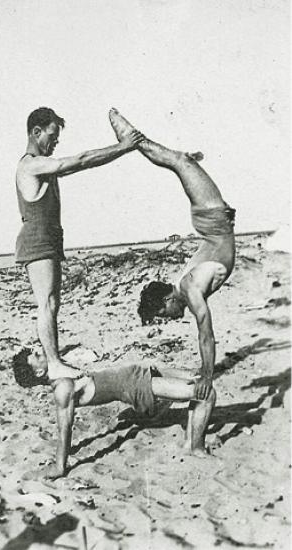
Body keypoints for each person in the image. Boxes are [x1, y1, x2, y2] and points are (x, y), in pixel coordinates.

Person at [109, 108, 236, 402]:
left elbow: (206, 331)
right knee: (180, 162)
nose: (168, 319)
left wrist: (206, 374)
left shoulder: (190, 289)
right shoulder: (182, 283)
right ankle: (135, 140)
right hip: (214, 219)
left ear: (168, 300)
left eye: (163, 314)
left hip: (212, 215)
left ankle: (130, 137)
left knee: (178, 161)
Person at [16, 107, 144, 380]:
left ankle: (54, 359)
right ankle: (53, 363)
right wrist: (123, 147)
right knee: (47, 303)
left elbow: (83, 163)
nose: (55, 142)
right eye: (52, 135)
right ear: (36, 132)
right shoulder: (30, 164)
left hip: (48, 240)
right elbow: (82, 159)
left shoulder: (42, 166)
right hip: (37, 240)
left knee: (53, 304)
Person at [13, 349, 216, 480]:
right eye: (37, 356)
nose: (42, 352)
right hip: (135, 385)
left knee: (197, 379)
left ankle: (190, 440)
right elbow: (64, 427)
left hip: (139, 372)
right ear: (39, 373)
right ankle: (195, 447)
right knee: (205, 394)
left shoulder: (61, 371)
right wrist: (59, 466)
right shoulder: (62, 388)